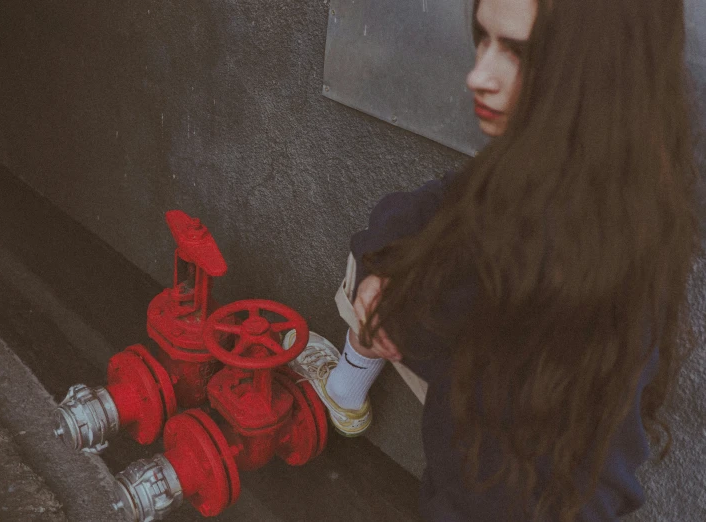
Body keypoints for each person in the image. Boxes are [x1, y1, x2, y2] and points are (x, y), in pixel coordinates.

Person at [283, 0, 702, 519]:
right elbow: (440, 200)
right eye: (484, 38)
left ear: (597, 66)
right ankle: (346, 386)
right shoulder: (578, 172)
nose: (478, 75)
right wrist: (380, 267)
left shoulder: (561, 265)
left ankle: (345, 385)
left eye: (519, 51)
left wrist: (390, 280)